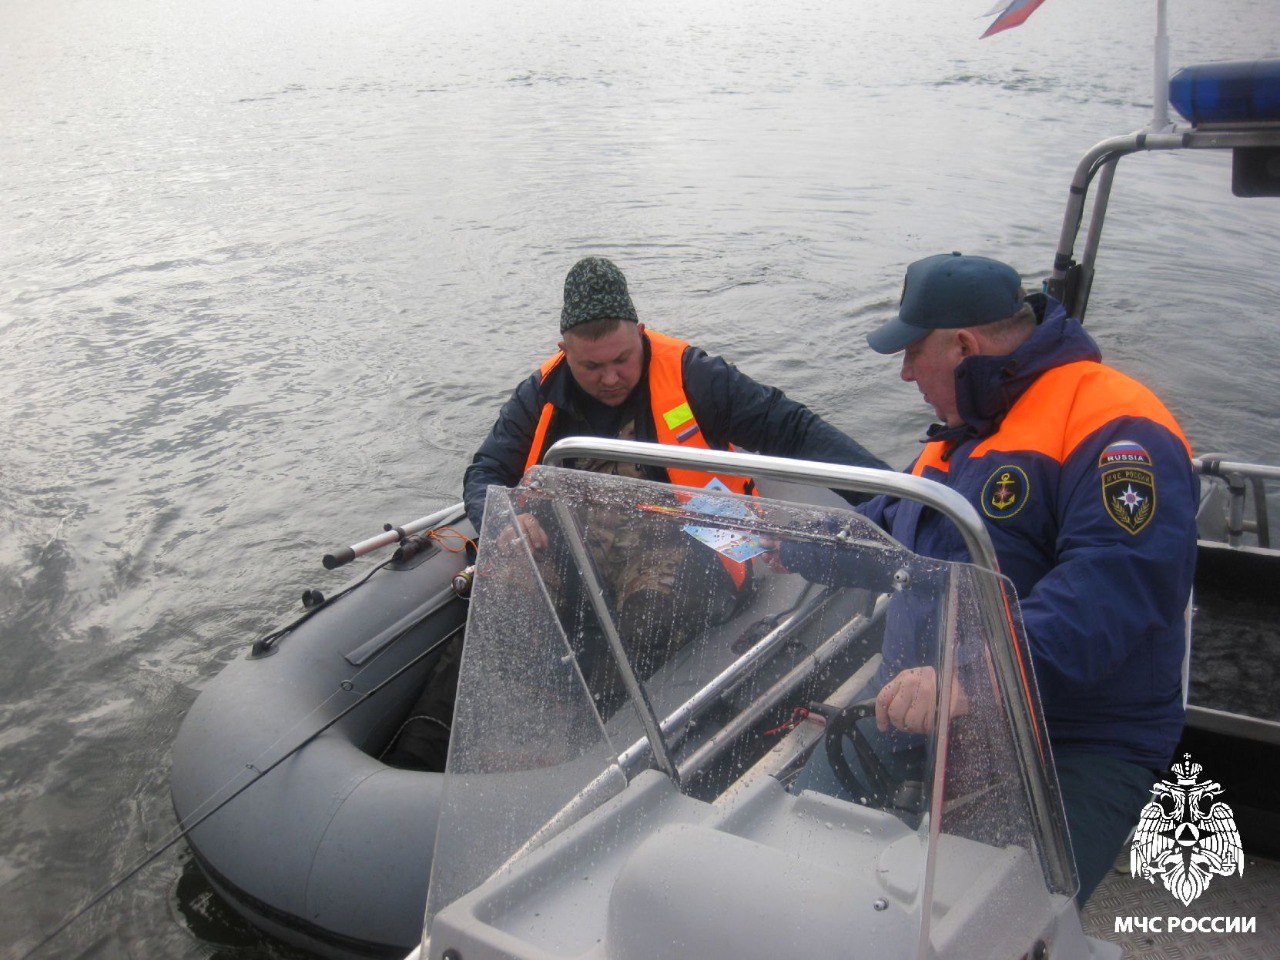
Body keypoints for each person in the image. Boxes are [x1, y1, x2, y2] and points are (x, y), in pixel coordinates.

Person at [778, 252, 1198, 905]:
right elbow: (892, 537)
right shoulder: (959, 437)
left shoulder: (1118, 424)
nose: (905, 371)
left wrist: (969, 679)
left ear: (964, 346)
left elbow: (1117, 582)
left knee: (1000, 921)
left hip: (1073, 738)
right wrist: (780, 539)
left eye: (914, 353)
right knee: (794, 853)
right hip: (923, 707)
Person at [383, 256, 887, 769]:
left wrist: (893, 504)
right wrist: (505, 517)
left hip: (697, 544)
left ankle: (580, 750)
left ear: (641, 333)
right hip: (579, 552)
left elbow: (794, 431)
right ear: (564, 352)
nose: (609, 378)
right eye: (591, 366)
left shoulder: (697, 376)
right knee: (504, 591)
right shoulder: (539, 394)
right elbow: (486, 470)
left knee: (647, 612)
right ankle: (421, 746)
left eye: (622, 359)